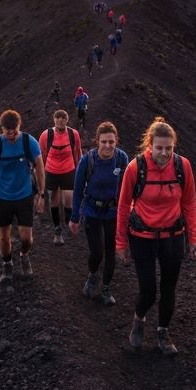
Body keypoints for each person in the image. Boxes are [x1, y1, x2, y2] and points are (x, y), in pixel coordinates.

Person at [116, 118, 196, 355]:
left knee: (169, 287)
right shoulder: (136, 168)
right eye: (159, 148)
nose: (163, 153)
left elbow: (189, 202)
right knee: (149, 290)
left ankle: (163, 331)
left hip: (173, 236)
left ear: (174, 147)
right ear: (149, 145)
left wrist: (194, 238)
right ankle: (139, 319)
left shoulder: (183, 167)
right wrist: (120, 243)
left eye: (168, 148)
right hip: (142, 236)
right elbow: (123, 206)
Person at [0, 109, 46, 283]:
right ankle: (7, 263)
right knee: (3, 236)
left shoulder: (28, 142)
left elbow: (40, 168)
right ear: (2, 128)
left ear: (19, 126)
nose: (11, 134)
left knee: (27, 238)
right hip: (2, 196)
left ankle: (24, 254)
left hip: (24, 195)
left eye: (14, 130)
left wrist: (41, 194)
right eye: (7, 130)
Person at [70, 121, 130, 305]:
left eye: (111, 142)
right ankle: (93, 275)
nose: (107, 145)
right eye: (104, 141)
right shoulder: (87, 161)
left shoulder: (122, 159)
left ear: (116, 141)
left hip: (113, 212)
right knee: (97, 251)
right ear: (97, 141)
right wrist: (75, 217)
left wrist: (127, 215)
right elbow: (78, 189)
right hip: (92, 211)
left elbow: (127, 190)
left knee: (111, 252)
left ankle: (106, 288)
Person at [39, 110, 82, 245]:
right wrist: (41, 173)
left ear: (67, 120)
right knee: (55, 200)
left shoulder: (73, 134)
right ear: (54, 120)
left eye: (63, 118)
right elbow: (42, 155)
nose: (60, 120)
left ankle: (69, 223)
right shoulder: (46, 135)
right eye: (58, 118)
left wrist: (80, 170)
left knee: (69, 200)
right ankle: (57, 229)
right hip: (51, 170)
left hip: (68, 170)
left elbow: (78, 152)